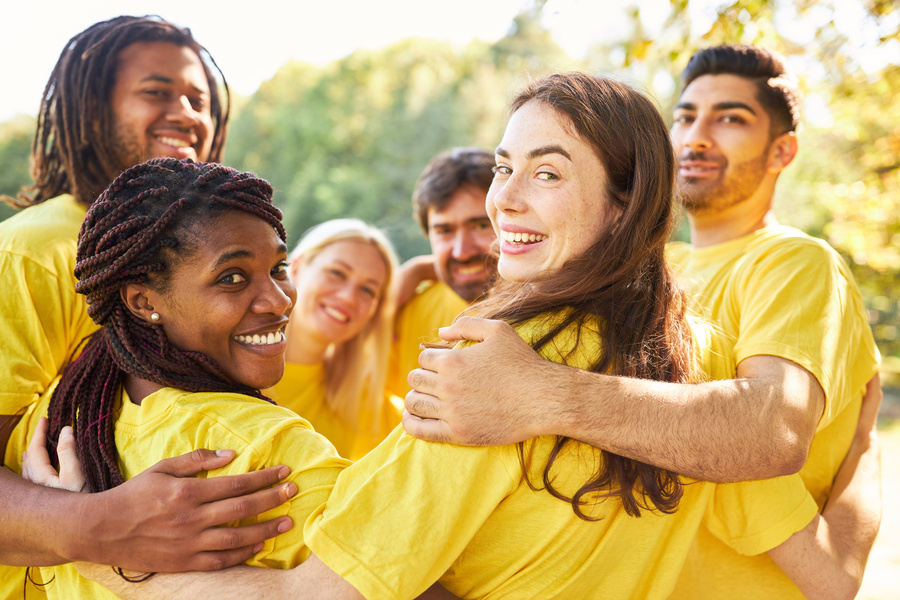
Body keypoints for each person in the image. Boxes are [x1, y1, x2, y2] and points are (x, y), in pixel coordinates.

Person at [74, 73, 875, 600]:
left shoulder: (493, 372)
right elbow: (829, 575)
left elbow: (308, 596)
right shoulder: (691, 366)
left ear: (625, 205)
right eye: (503, 166)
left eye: (549, 172)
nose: (505, 202)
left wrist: (87, 546)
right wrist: (861, 456)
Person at [402, 46, 881, 598]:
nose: (697, 135)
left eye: (730, 118)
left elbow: (772, 431)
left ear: (782, 151)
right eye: (685, 116)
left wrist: (543, 394)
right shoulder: (655, 279)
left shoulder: (793, 262)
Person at [0, 16, 289, 594]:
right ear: (91, 113)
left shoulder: (224, 258)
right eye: (156, 92)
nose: (186, 112)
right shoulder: (33, 253)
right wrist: (100, 524)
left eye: (199, 98)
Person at [7, 158, 354, 599]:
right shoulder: (263, 451)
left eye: (279, 268)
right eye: (232, 278)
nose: (278, 300)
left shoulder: (61, 420)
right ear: (142, 300)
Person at [268, 219, 400, 459]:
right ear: (295, 268)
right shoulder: (223, 370)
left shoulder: (371, 411)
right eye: (337, 273)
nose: (349, 297)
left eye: (368, 290)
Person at [386, 148, 496, 398]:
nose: (462, 251)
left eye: (480, 225)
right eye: (444, 231)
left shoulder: (558, 307)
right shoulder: (403, 312)